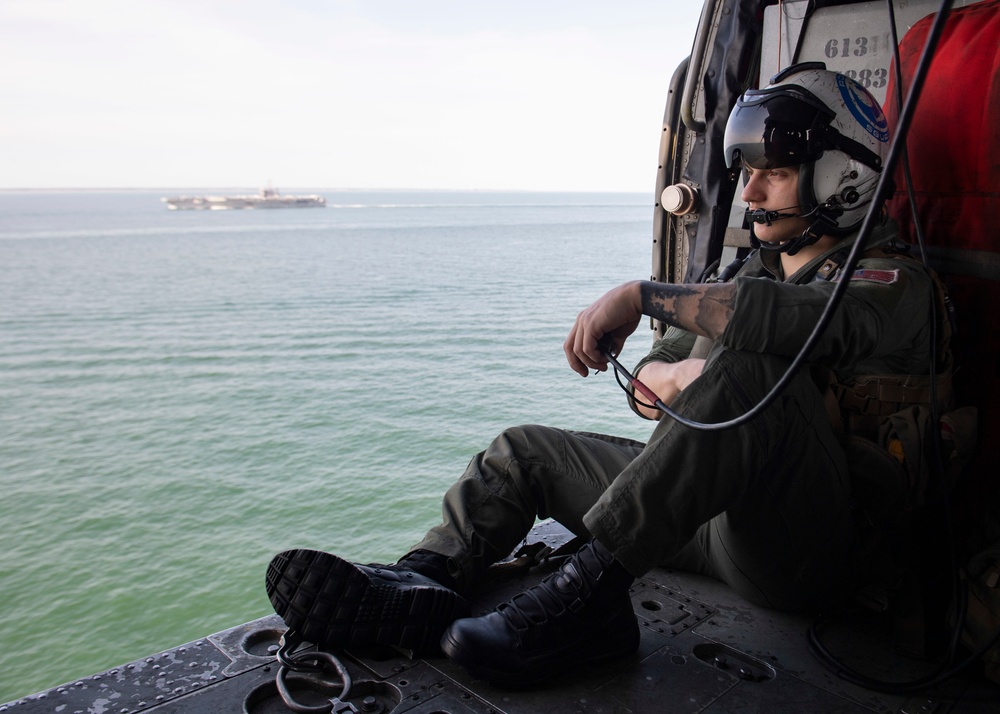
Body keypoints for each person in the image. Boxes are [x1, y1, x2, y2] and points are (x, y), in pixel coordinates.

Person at [265, 64, 942, 687]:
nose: (753, 191)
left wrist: (642, 298)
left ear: (841, 177)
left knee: (754, 368)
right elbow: (653, 375)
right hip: (710, 525)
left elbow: (789, 326)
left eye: (777, 171)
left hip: (810, 554)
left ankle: (592, 600)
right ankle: (423, 582)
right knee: (524, 453)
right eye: (749, 171)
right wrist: (674, 375)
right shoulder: (746, 274)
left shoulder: (895, 284)